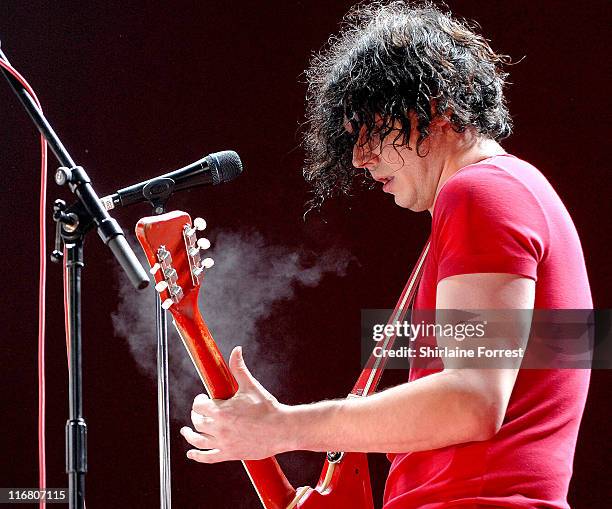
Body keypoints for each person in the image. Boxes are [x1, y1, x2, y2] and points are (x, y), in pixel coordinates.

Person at [180, 2, 592, 507]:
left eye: (373, 130)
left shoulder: (480, 193)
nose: (358, 158)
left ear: (438, 108)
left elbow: (473, 402)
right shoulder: (518, 193)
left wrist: (284, 428)